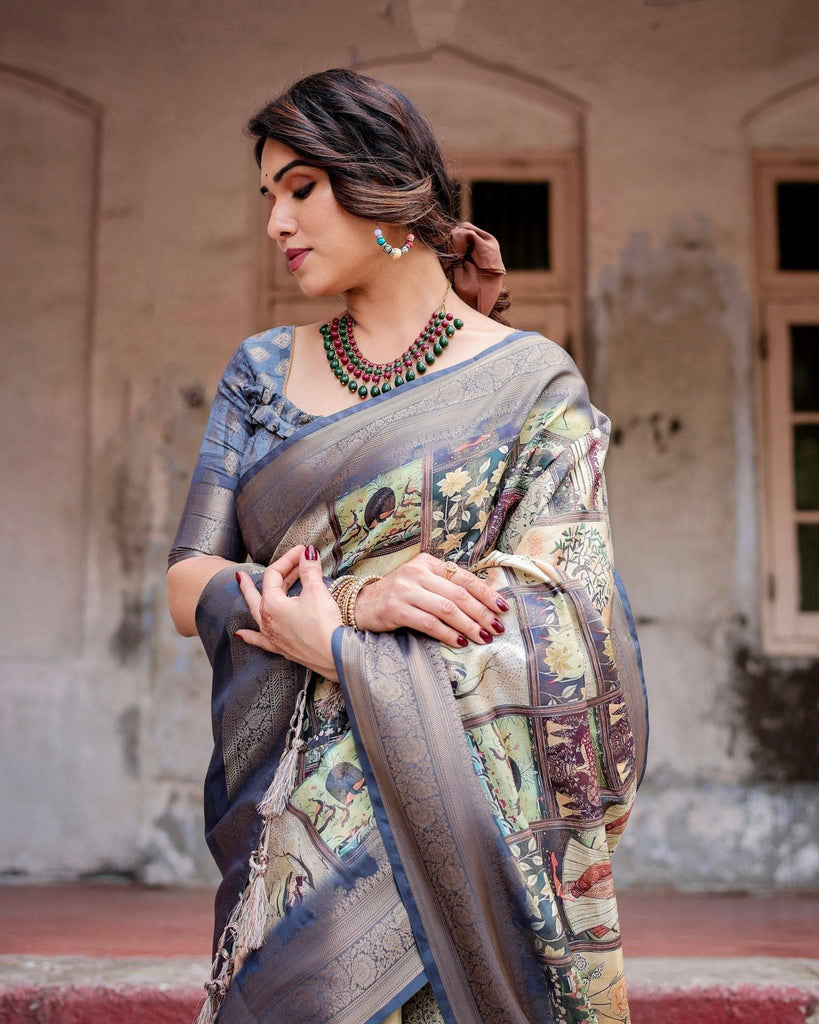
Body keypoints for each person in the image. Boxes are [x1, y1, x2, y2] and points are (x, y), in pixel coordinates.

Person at [167, 68, 648, 1024]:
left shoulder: (532, 385)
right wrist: (354, 604)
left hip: (467, 821)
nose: (276, 222)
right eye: (268, 196)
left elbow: (568, 630)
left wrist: (340, 650)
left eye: (301, 188)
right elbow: (187, 586)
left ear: (384, 184)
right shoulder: (262, 371)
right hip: (294, 825)